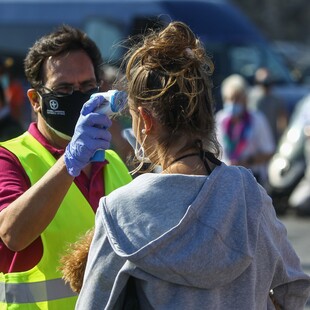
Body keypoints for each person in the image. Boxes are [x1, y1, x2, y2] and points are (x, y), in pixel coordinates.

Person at [75, 21, 310, 309]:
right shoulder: (249, 195)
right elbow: (294, 288)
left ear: (146, 121)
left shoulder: (120, 211)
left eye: (133, 117)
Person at [0, 25, 132, 309]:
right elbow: (12, 235)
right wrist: (70, 161)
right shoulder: (9, 158)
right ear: (36, 100)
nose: (77, 96)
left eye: (87, 87)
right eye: (64, 88)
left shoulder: (115, 164)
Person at [216, 74, 275, 188]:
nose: (232, 103)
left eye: (237, 98)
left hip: (252, 178)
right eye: (229, 99)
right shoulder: (219, 120)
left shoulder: (257, 119)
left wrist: (246, 161)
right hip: (226, 179)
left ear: (245, 99)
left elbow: (269, 151)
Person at [251, 67, 288, 144]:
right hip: (255, 140)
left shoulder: (276, 99)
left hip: (272, 139)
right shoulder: (252, 98)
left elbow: (282, 118)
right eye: (264, 83)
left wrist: (282, 136)